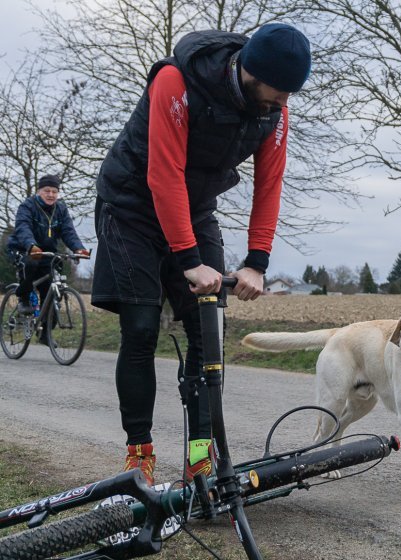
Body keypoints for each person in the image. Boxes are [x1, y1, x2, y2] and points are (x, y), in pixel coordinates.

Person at [91, 23, 311, 486]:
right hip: (131, 206)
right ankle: (139, 455)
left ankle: (198, 453)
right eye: (278, 93)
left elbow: (269, 186)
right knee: (142, 327)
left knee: (206, 331)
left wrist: (256, 261)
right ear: (250, 71)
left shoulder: (274, 110)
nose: (283, 104)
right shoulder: (176, 82)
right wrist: (189, 260)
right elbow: (163, 174)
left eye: (290, 95)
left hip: (193, 207)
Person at [6, 174, 90, 340]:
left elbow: (68, 232)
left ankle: (46, 334)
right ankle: (23, 297)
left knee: (51, 292)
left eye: (54, 191)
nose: (51, 194)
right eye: (47, 191)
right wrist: (31, 245)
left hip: (47, 253)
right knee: (30, 263)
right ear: (39, 191)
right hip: (24, 248)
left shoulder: (61, 209)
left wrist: (78, 248)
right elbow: (23, 228)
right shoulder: (27, 206)